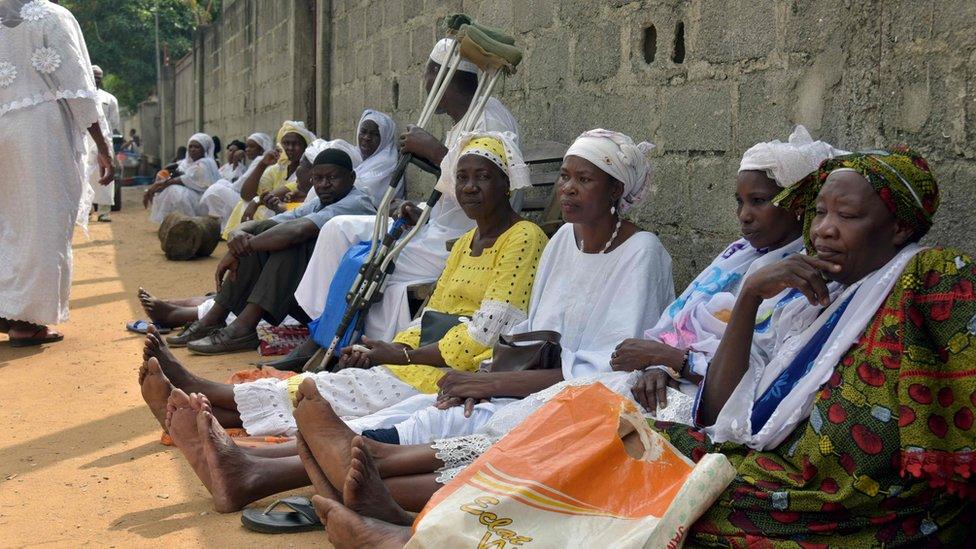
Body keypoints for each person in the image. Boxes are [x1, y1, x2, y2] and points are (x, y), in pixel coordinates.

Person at [308, 147, 976, 548]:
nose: (824, 231)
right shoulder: (806, 288)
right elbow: (731, 407)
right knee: (608, 431)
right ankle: (424, 514)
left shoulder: (923, 280)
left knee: (622, 456)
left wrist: (676, 372)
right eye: (819, 214)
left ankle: (420, 526)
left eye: (847, 216)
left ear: (898, 225)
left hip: (833, 490)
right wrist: (747, 297)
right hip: (734, 439)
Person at [137, 133, 547, 509]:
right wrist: (390, 350)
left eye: (483, 177)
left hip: (455, 368)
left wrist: (404, 357)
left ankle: (206, 406)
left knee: (335, 401)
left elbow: (487, 333)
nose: (470, 187)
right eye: (463, 177)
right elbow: (430, 312)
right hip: (424, 359)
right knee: (338, 390)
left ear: (506, 183)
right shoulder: (466, 243)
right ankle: (205, 412)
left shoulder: (523, 238)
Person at [292, 38, 520, 355]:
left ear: (444, 76)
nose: (425, 82)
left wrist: (434, 150)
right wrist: (425, 210)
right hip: (435, 227)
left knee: (366, 259)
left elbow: (484, 190)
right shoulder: (462, 122)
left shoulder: (487, 118)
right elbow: (454, 190)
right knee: (337, 229)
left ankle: (329, 340)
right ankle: (322, 328)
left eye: (428, 72)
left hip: (459, 240)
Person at [167, 142, 376, 354]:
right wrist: (237, 235)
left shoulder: (355, 202)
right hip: (311, 291)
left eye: (332, 178)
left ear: (351, 178)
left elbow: (298, 230)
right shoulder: (320, 202)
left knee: (289, 242)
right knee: (267, 232)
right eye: (318, 178)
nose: (324, 184)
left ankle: (243, 327)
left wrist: (242, 246)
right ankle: (215, 317)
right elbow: (278, 221)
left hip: (339, 300)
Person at [0, 0, 114, 346]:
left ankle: (8, 307)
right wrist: (103, 146)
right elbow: (77, 86)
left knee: (10, 223)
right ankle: (26, 321)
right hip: (41, 132)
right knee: (45, 223)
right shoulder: (51, 16)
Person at [221, 121, 315, 238]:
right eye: (286, 143)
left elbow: (277, 194)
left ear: (305, 147)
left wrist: (255, 202)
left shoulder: (306, 170)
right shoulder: (277, 169)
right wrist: (262, 165)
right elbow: (246, 195)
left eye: (296, 144)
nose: (290, 148)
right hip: (274, 209)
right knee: (244, 203)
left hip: (294, 213)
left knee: (260, 207)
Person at [199, 132, 274, 231]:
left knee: (215, 190)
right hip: (252, 199)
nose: (247, 150)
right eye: (246, 147)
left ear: (261, 149)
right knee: (220, 184)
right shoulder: (257, 161)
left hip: (253, 201)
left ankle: (221, 228)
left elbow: (240, 186)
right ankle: (222, 227)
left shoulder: (260, 160)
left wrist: (226, 185)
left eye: (252, 147)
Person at [144, 133, 221, 224]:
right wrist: (159, 186)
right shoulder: (187, 163)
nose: (192, 149)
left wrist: (157, 185)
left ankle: (188, 222)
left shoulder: (205, 163)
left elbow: (182, 180)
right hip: (193, 196)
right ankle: (171, 222)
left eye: (196, 147)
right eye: (190, 146)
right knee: (166, 190)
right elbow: (174, 169)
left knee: (175, 191)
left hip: (203, 200)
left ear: (204, 148)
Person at [87, 64, 120, 222]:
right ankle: (86, 208)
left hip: (104, 141)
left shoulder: (110, 99)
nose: (96, 79)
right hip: (85, 141)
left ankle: (104, 211)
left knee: (105, 173)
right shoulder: (82, 96)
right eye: (93, 75)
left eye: (99, 76)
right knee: (85, 174)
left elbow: (113, 122)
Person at [351, 109, 401, 207]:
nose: (366, 138)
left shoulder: (386, 162)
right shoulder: (358, 156)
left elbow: (365, 192)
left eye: (375, 134)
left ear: (385, 138)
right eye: (363, 132)